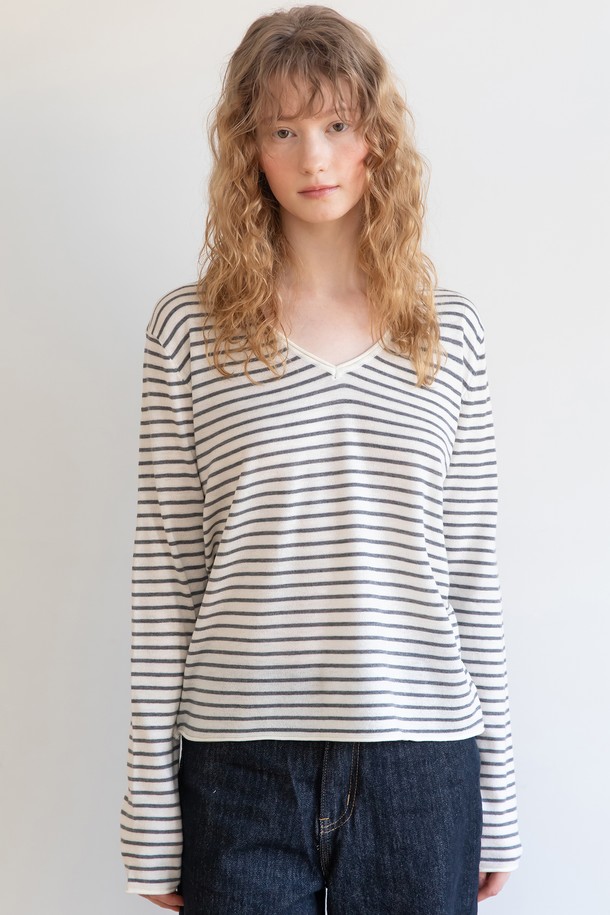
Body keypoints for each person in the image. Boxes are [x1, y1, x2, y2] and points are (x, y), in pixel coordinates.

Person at [119, 5, 523, 913]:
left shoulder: (449, 333)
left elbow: (472, 573)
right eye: (283, 130)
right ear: (248, 149)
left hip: (421, 767)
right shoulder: (188, 332)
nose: (315, 157)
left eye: (338, 124)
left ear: (378, 138)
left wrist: (497, 801)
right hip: (241, 769)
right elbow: (166, 581)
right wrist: (150, 813)